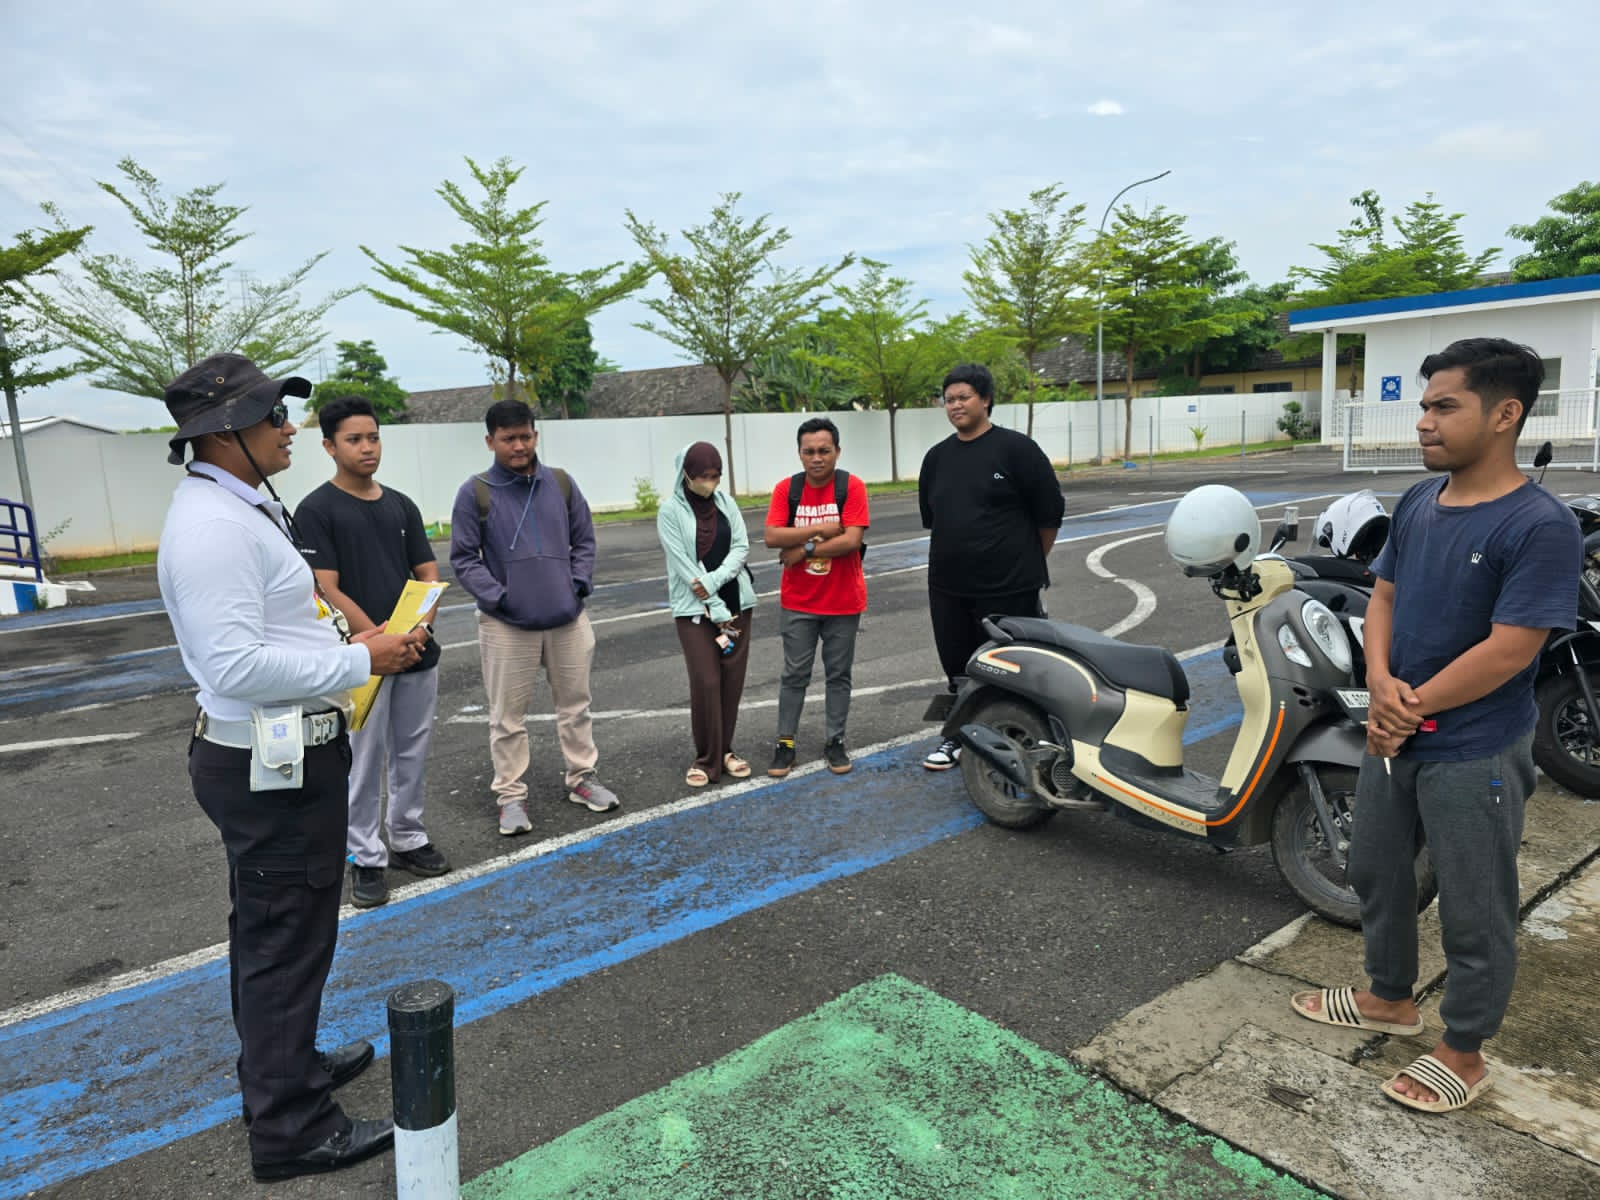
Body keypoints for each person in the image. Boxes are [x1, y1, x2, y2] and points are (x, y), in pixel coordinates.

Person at [1289, 338, 1581, 1114]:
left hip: (1473, 748)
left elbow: (1511, 650)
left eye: (1443, 406)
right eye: (1424, 405)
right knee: (1377, 872)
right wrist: (1379, 683)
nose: (1424, 421)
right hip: (1395, 735)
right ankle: (1390, 996)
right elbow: (1381, 597)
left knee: (1474, 903)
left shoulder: (1537, 524)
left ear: (1505, 414)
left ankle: (1463, 1048)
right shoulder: (1419, 503)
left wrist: (1402, 706)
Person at [157, 353, 426, 1180]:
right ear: (224, 433)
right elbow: (233, 667)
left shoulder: (239, 505)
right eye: (273, 416)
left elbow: (281, 623)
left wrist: (347, 642)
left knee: (278, 933)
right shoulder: (213, 528)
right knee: (284, 942)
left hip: (283, 753)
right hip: (267, 765)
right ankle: (291, 1127)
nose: (288, 428)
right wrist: (362, 660)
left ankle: (287, 1070)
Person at [294, 396, 449, 910]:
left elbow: (427, 573)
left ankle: (406, 836)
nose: (367, 447)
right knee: (362, 760)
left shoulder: (400, 504)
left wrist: (418, 630)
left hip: (414, 653)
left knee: (412, 751)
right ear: (329, 446)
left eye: (373, 437)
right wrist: (383, 640)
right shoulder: (317, 510)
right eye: (354, 439)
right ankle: (364, 855)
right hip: (360, 657)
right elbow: (326, 589)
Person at [449, 399, 619, 834]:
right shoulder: (476, 492)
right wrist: (501, 598)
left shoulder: (560, 483)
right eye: (508, 439)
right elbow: (465, 559)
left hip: (567, 618)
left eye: (526, 436)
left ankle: (582, 778)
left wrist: (577, 584)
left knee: (576, 706)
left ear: (536, 435)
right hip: (507, 624)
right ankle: (511, 796)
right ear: (490, 441)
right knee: (506, 716)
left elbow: (584, 540)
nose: (519, 445)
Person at [917, 362, 1065, 770]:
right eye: (949, 399)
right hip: (948, 586)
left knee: (1015, 669)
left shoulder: (1017, 450)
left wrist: (1027, 563)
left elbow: (1049, 515)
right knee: (958, 667)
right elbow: (935, 518)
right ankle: (958, 736)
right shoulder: (937, 458)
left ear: (985, 400)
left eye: (963, 397)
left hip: (1009, 587)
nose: (955, 405)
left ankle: (1024, 737)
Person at [763, 417, 870, 777]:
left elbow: (851, 541)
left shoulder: (851, 487)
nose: (817, 458)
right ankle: (785, 743)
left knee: (839, 674)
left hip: (843, 601)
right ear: (799, 454)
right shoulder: (787, 490)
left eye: (824, 450)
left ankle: (835, 741)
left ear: (837, 451)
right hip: (799, 602)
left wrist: (804, 549)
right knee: (794, 674)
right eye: (809, 451)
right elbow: (773, 537)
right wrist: (822, 530)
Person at [657, 441, 758, 786]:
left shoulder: (726, 502)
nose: (709, 482)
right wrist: (713, 604)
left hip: (736, 606)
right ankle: (706, 759)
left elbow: (742, 546)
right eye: (703, 476)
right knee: (707, 680)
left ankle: (725, 750)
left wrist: (715, 582)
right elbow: (683, 565)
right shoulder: (670, 511)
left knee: (731, 681)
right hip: (696, 612)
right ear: (685, 473)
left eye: (715, 476)